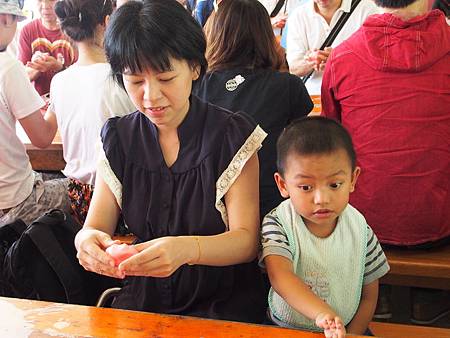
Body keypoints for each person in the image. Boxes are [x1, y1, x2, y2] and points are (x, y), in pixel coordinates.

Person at [74, 0, 267, 323]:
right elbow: (95, 226)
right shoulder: (118, 138)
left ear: (194, 68)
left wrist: (187, 250)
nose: (151, 96)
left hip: (221, 304)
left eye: (165, 78)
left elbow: (246, 240)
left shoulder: (232, 135)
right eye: (135, 81)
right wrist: (87, 242)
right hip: (144, 301)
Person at [320, 0, 450, 324]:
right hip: (440, 223)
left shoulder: (342, 56)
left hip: (365, 227)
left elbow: (331, 143)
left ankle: (380, 302)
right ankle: (429, 306)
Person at [260, 117, 389, 336]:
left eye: (334, 184)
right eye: (306, 187)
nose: (321, 198)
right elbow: (280, 276)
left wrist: (353, 333)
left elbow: (369, 294)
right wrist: (322, 314)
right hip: (285, 328)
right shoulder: (278, 222)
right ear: (283, 185)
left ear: (352, 179)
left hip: (347, 328)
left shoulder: (359, 228)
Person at [195, 0, 313, 217]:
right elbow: (302, 150)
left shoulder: (195, 86)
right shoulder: (288, 86)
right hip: (271, 210)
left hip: (206, 209)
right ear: (266, 36)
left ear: (214, 34)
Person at [45, 0, 135, 224]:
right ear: (107, 22)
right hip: (119, 196)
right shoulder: (121, 79)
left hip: (77, 195)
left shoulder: (59, 81)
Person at [0, 0, 69, 227]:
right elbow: (42, 138)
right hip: (13, 201)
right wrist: (59, 95)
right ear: (5, 18)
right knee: (81, 191)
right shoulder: (8, 67)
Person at [286, 0, 379, 95]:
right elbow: (294, 68)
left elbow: (378, 62)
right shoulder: (298, 16)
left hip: (355, 95)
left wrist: (340, 59)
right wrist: (312, 61)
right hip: (314, 97)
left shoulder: (368, 10)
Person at [18, 0, 77, 96]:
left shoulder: (73, 31)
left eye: (52, 0)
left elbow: (81, 78)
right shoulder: (27, 31)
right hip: (38, 103)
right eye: (40, 0)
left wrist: (59, 68)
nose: (45, 6)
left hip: (68, 99)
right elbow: (21, 78)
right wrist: (38, 66)